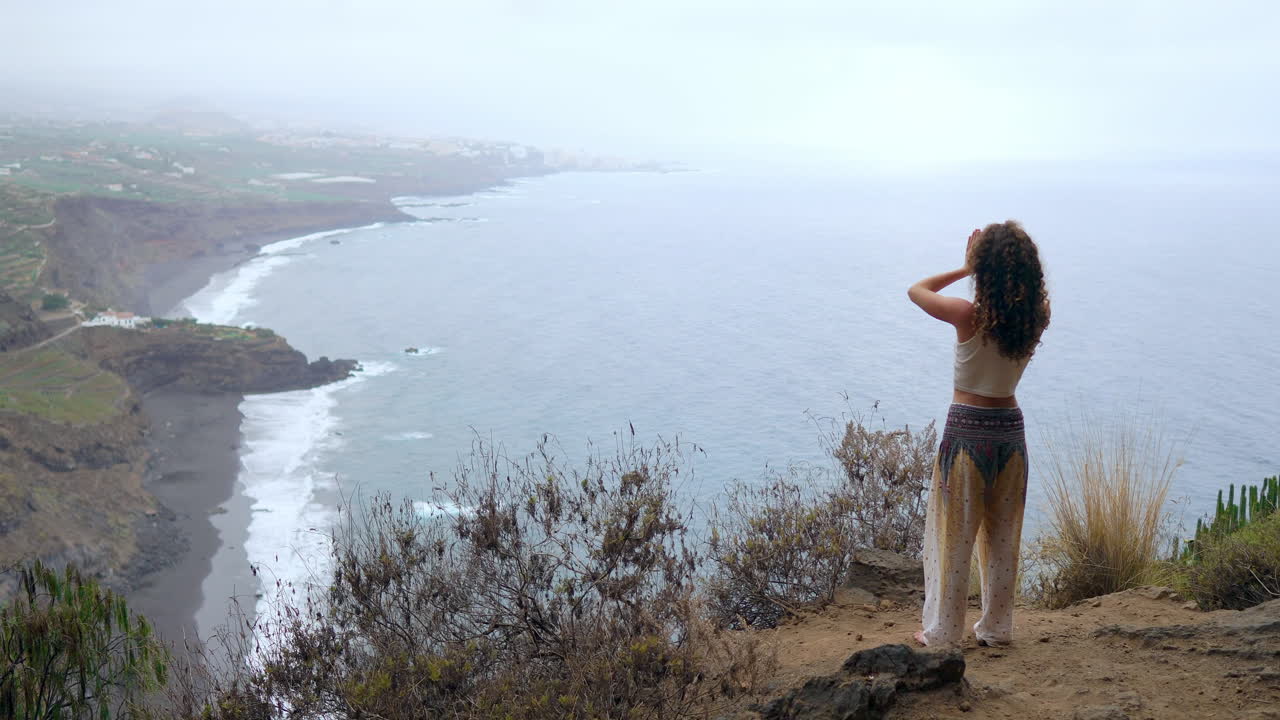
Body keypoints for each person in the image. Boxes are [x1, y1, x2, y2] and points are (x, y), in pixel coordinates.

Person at [906, 220, 1050, 647]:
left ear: (985, 268)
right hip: (1010, 432)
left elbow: (916, 290)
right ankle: (997, 627)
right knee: (1003, 535)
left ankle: (944, 632)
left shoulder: (967, 315)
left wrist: (966, 267)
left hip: (967, 430)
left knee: (954, 537)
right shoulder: (1037, 317)